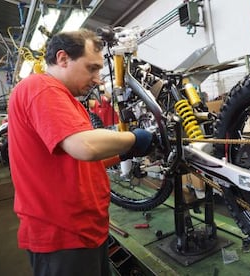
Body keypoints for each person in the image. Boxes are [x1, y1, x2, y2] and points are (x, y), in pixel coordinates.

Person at [8, 28, 153, 276]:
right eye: (92, 68)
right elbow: (84, 147)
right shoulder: (41, 88)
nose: (97, 79)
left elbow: (76, 158)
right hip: (62, 236)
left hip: (83, 231)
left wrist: (126, 151)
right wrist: (133, 137)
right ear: (63, 59)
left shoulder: (65, 98)